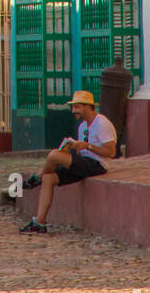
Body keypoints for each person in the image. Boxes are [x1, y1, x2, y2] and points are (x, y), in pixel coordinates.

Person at [20, 91, 116, 235]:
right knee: (49, 177)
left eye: (77, 107)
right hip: (83, 163)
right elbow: (81, 153)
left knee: (53, 154)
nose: (73, 111)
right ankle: (39, 222)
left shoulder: (102, 124)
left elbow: (111, 152)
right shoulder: (82, 126)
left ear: (87, 107)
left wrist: (87, 146)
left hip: (97, 165)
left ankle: (37, 177)